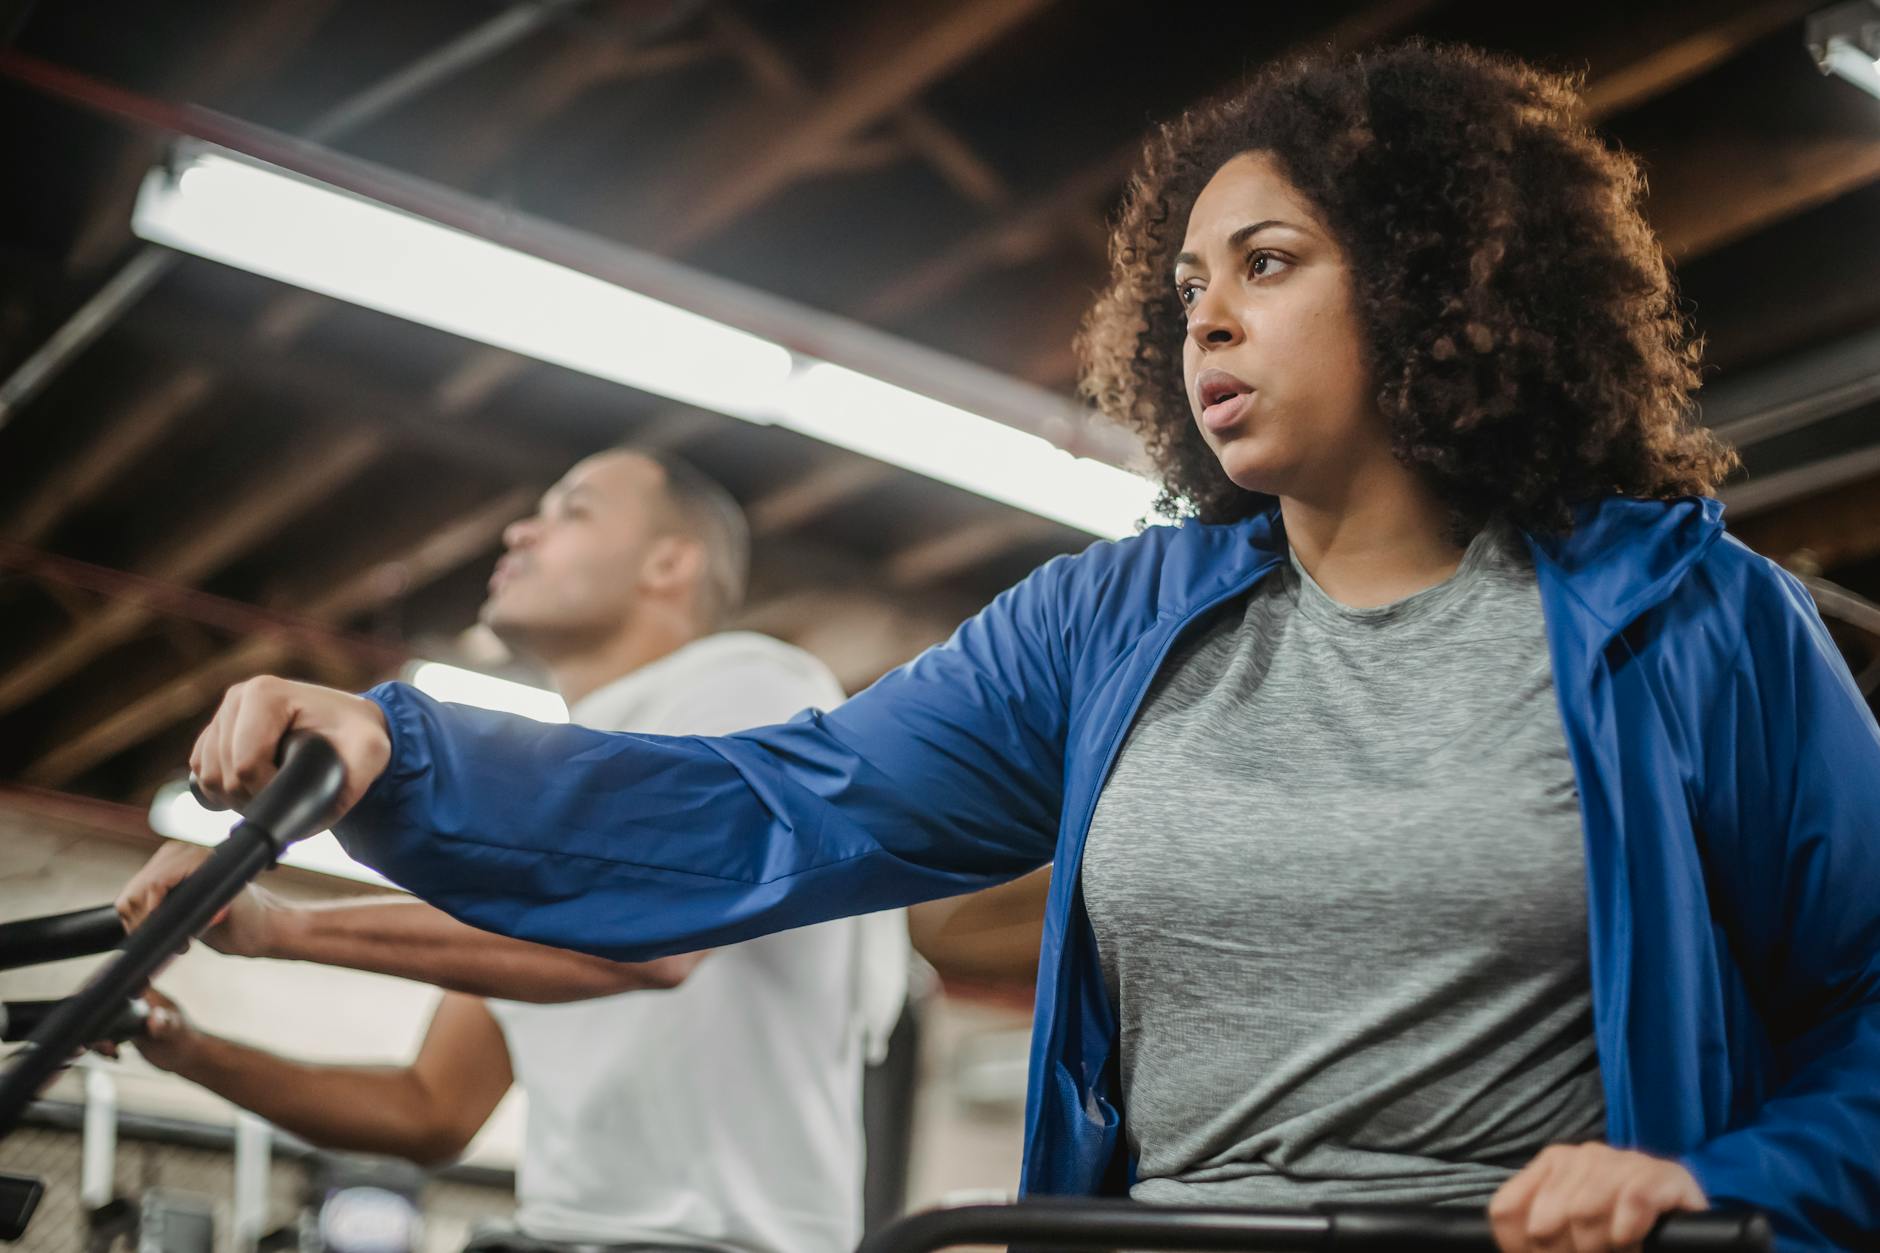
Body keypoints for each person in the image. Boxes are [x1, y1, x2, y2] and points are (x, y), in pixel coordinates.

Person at [180, 45, 1880, 1253]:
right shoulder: (1108, 625)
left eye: (1269, 266)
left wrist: (1718, 1184)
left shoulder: (1694, 619)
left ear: (1441, 288)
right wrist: (411, 753)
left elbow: (1871, 1002)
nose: (1203, 315)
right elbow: (776, 804)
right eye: (1189, 281)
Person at [116, 449, 909, 1253]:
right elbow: (430, 1107)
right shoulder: (549, 807)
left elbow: (645, 942)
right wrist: (183, 1047)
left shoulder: (752, 686)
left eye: (574, 510)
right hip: (561, 1233)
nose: (520, 529)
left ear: (670, 561)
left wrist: (279, 931)